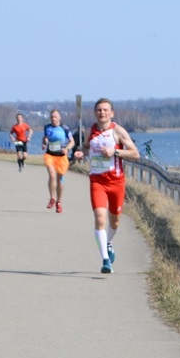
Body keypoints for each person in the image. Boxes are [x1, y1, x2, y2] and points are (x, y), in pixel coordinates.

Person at [72, 98, 138, 274]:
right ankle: (105, 260)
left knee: (114, 221)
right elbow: (86, 148)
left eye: (105, 110)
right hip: (97, 181)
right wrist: (81, 152)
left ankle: (108, 242)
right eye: (99, 110)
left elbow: (135, 154)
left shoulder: (118, 131)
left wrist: (114, 152)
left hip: (116, 182)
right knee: (100, 218)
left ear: (112, 113)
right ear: (95, 113)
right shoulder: (91, 131)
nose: (102, 112)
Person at [41, 109, 73, 213]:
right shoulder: (47, 127)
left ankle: (59, 202)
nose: (53, 119)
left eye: (55, 117)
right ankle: (52, 198)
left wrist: (67, 149)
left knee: (60, 179)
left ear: (59, 117)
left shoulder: (65, 128)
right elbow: (44, 138)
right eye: (52, 117)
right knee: (52, 174)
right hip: (50, 154)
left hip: (61, 156)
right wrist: (44, 143)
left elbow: (72, 142)